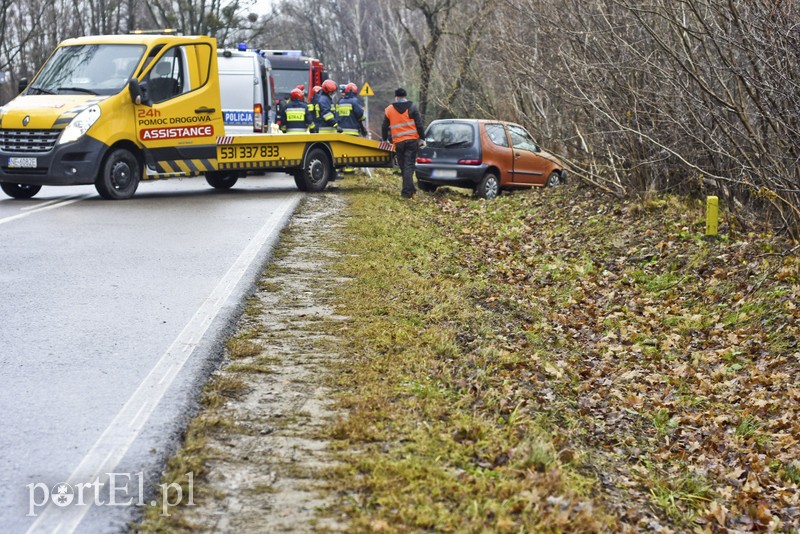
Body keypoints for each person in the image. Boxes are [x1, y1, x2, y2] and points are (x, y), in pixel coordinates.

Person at [382, 87, 425, 198]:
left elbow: (384, 126)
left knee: (403, 166)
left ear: (396, 97)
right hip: (411, 141)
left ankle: (410, 190)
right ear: (405, 96)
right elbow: (419, 125)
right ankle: (407, 193)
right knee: (408, 167)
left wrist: (384, 139)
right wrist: (422, 138)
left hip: (398, 143)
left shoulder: (389, 109)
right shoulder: (412, 107)